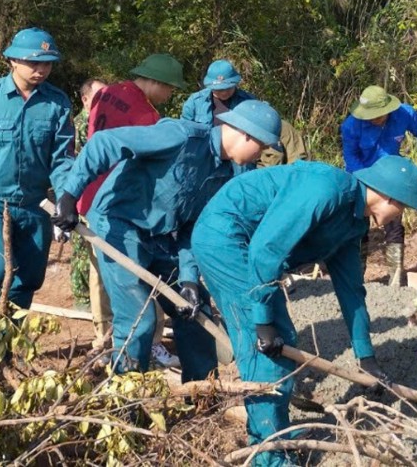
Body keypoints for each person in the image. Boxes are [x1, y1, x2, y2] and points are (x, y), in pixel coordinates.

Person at [190, 156, 417, 466]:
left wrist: (365, 357)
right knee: (269, 348)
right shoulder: (329, 190)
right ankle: (270, 456)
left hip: (247, 247)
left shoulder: (353, 223)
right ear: (389, 196)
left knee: (275, 341)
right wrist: (262, 320)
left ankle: (267, 440)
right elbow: (267, 249)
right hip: (226, 236)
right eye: (404, 207)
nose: (402, 215)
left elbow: (351, 290)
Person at [52, 100, 282, 380]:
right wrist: (69, 196)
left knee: (196, 311)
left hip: (162, 237)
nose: (260, 155)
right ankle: (127, 399)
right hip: (119, 225)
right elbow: (105, 142)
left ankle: (201, 392)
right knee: (140, 318)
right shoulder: (180, 136)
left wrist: (187, 278)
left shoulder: (225, 172)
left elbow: (192, 228)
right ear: (245, 134)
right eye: (261, 146)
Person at [0, 27, 75, 315]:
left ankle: (5, 337)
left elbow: (62, 159)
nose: (41, 70)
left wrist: (64, 203)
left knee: (30, 277)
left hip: (35, 205)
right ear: (13, 61)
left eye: (47, 63)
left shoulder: (57, 103)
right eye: (34, 63)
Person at [78, 54, 188, 367]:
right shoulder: (145, 114)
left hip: (90, 194)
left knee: (103, 278)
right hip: (119, 206)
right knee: (133, 283)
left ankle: (108, 342)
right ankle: (138, 351)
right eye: (169, 89)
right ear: (154, 81)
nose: (169, 96)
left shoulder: (107, 94)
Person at [340, 85, 417, 286]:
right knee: (359, 229)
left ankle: (395, 279)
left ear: (387, 110)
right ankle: (357, 279)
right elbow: (351, 156)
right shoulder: (351, 125)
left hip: (393, 179)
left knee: (394, 227)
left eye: (376, 116)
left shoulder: (405, 114)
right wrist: (365, 183)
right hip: (363, 177)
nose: (372, 120)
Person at [70, 78, 106, 311]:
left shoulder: (103, 120)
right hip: (82, 192)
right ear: (85, 99)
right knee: (82, 248)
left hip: (101, 191)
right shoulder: (79, 124)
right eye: (99, 94)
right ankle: (82, 299)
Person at [181, 59, 257, 128]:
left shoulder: (249, 102)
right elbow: (185, 131)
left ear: (235, 84)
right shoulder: (195, 102)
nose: (224, 93)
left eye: (228, 88)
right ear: (210, 86)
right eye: (219, 89)